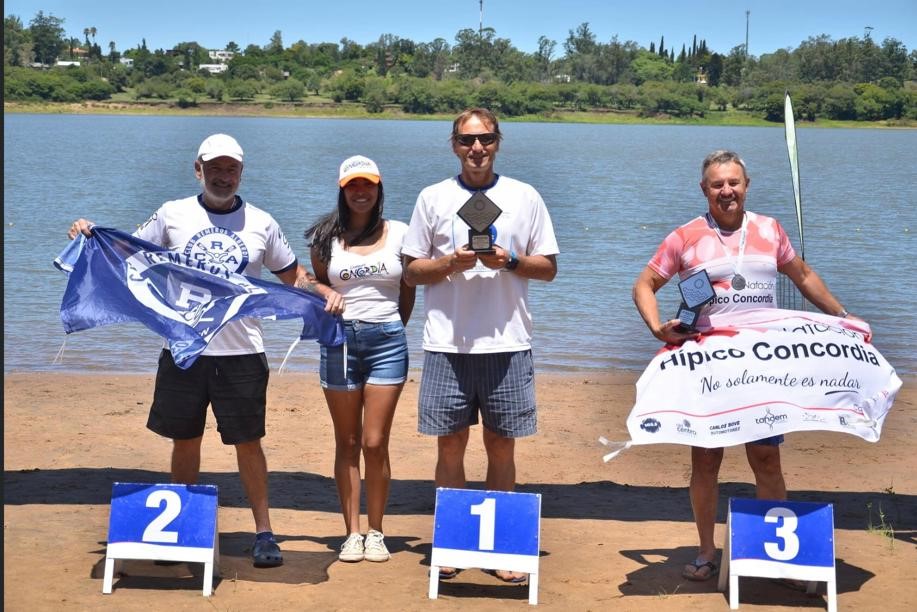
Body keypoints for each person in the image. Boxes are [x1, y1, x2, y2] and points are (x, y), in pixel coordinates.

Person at [68, 133, 342, 568]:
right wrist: (90, 233)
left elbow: (293, 277)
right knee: (185, 440)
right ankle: (178, 528)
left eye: (231, 169)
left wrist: (322, 292)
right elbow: (124, 251)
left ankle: (264, 531)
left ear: (241, 173)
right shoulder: (171, 214)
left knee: (248, 444)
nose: (223, 176)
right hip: (185, 349)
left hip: (243, 353)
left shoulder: (262, 222)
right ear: (198, 170)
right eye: (214, 168)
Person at [632, 149, 861, 582]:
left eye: (733, 182)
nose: (727, 191)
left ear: (747, 185)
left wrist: (843, 317)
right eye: (717, 184)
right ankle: (706, 551)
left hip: (761, 367)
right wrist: (657, 328)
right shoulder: (685, 236)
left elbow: (803, 276)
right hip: (709, 365)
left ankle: (779, 557)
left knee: (766, 458)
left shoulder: (770, 229)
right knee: (705, 461)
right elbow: (644, 284)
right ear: (704, 189)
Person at [402, 108, 559, 583]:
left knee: (501, 447)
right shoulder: (432, 197)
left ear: (498, 142)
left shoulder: (525, 196)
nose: (477, 148)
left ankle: (502, 549)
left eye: (486, 139)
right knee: (450, 446)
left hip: (508, 343)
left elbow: (549, 268)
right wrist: (450, 263)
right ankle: (453, 543)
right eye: (468, 140)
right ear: (454, 144)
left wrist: (509, 262)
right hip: (446, 345)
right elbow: (411, 270)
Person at [304, 155, 415, 563]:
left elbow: (408, 289)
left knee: (375, 441)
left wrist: (392, 327)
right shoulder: (324, 238)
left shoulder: (401, 233)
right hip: (339, 343)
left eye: (367, 184)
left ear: (379, 188)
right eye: (353, 185)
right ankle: (352, 532)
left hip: (388, 342)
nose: (361, 192)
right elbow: (311, 281)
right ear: (342, 190)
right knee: (347, 441)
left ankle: (376, 531)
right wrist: (322, 291)